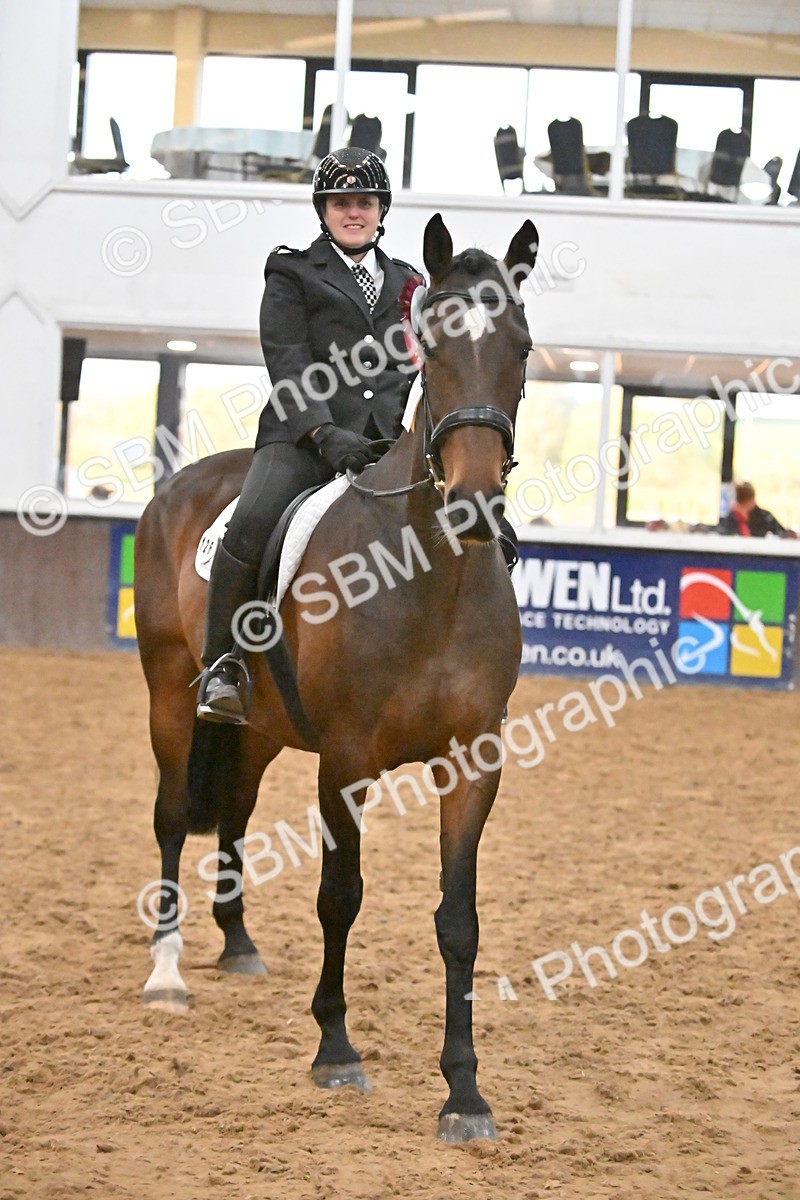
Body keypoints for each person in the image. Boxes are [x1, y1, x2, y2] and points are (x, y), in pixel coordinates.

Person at [196, 147, 421, 723]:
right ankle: (223, 665)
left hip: (381, 445)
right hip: (302, 438)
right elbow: (288, 360)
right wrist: (324, 430)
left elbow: (419, 366)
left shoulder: (409, 283)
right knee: (251, 520)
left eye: (364, 202)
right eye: (341, 203)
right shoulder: (293, 271)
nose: (354, 212)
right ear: (324, 210)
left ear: (380, 209)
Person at [717, 481, 795, 538]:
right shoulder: (730, 519)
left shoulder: (764, 517)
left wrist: (789, 535)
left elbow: (782, 534)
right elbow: (721, 535)